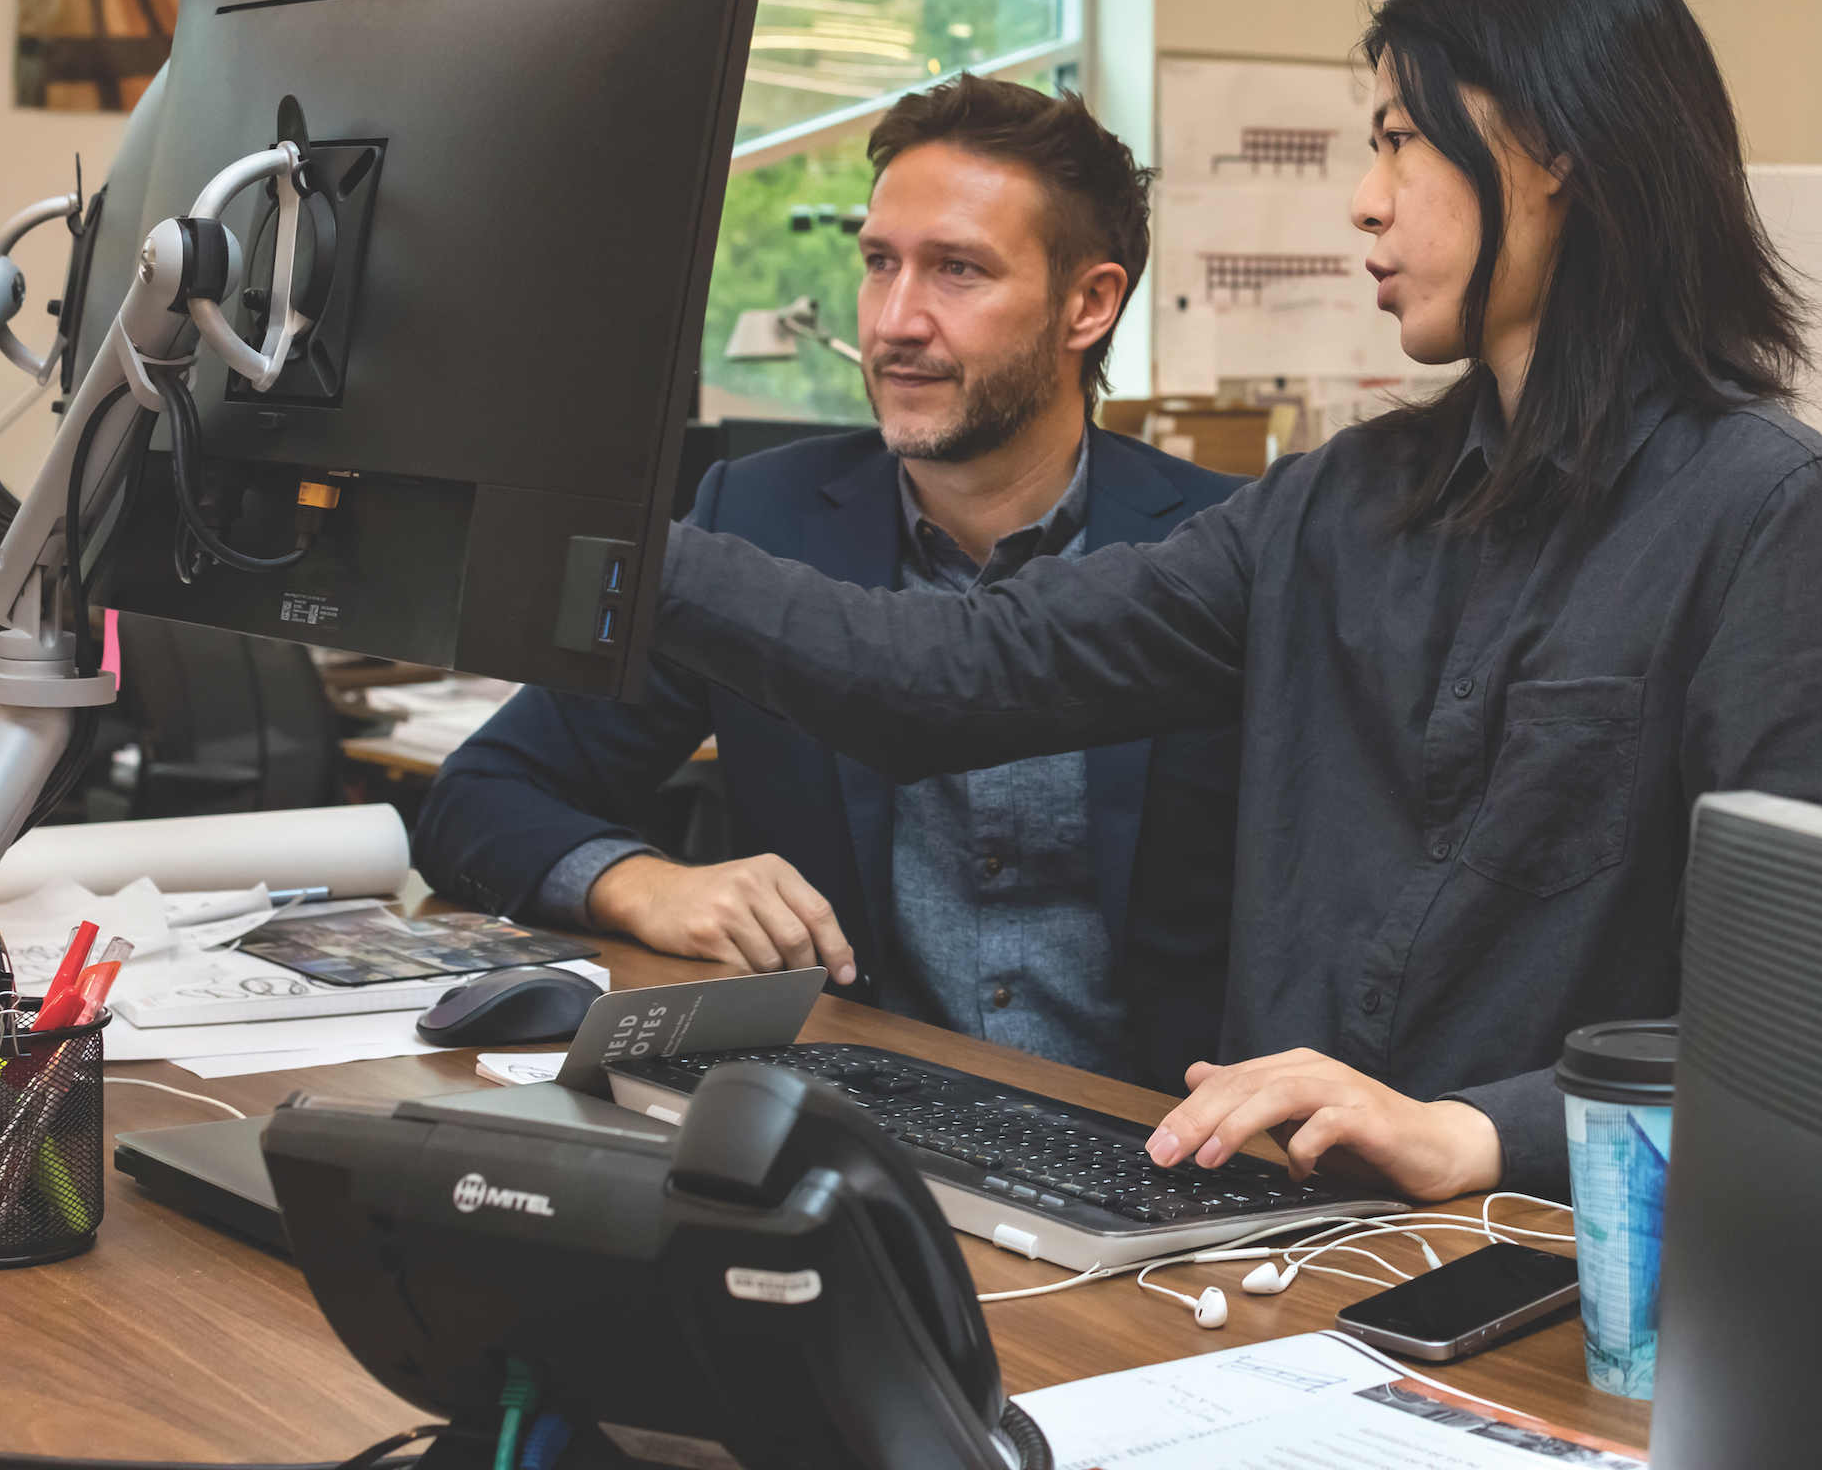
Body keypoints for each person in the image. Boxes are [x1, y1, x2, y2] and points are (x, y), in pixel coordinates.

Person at [641, 0, 1822, 1198]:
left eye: (1401, 141)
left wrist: (1472, 1131)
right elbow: (955, 674)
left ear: (1556, 154)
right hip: (1270, 1244)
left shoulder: (1771, 514)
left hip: (1549, 1268)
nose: (1366, 198)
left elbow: (1811, 1032)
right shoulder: (1341, 504)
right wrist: (611, 542)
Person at [417, 75, 1248, 1090]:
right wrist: (645, 885)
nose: (896, 319)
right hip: (858, 1124)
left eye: (957, 270)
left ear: (1090, 303)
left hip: (1161, 1151)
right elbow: (481, 794)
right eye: (878, 263)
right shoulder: (756, 525)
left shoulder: (1222, 547)